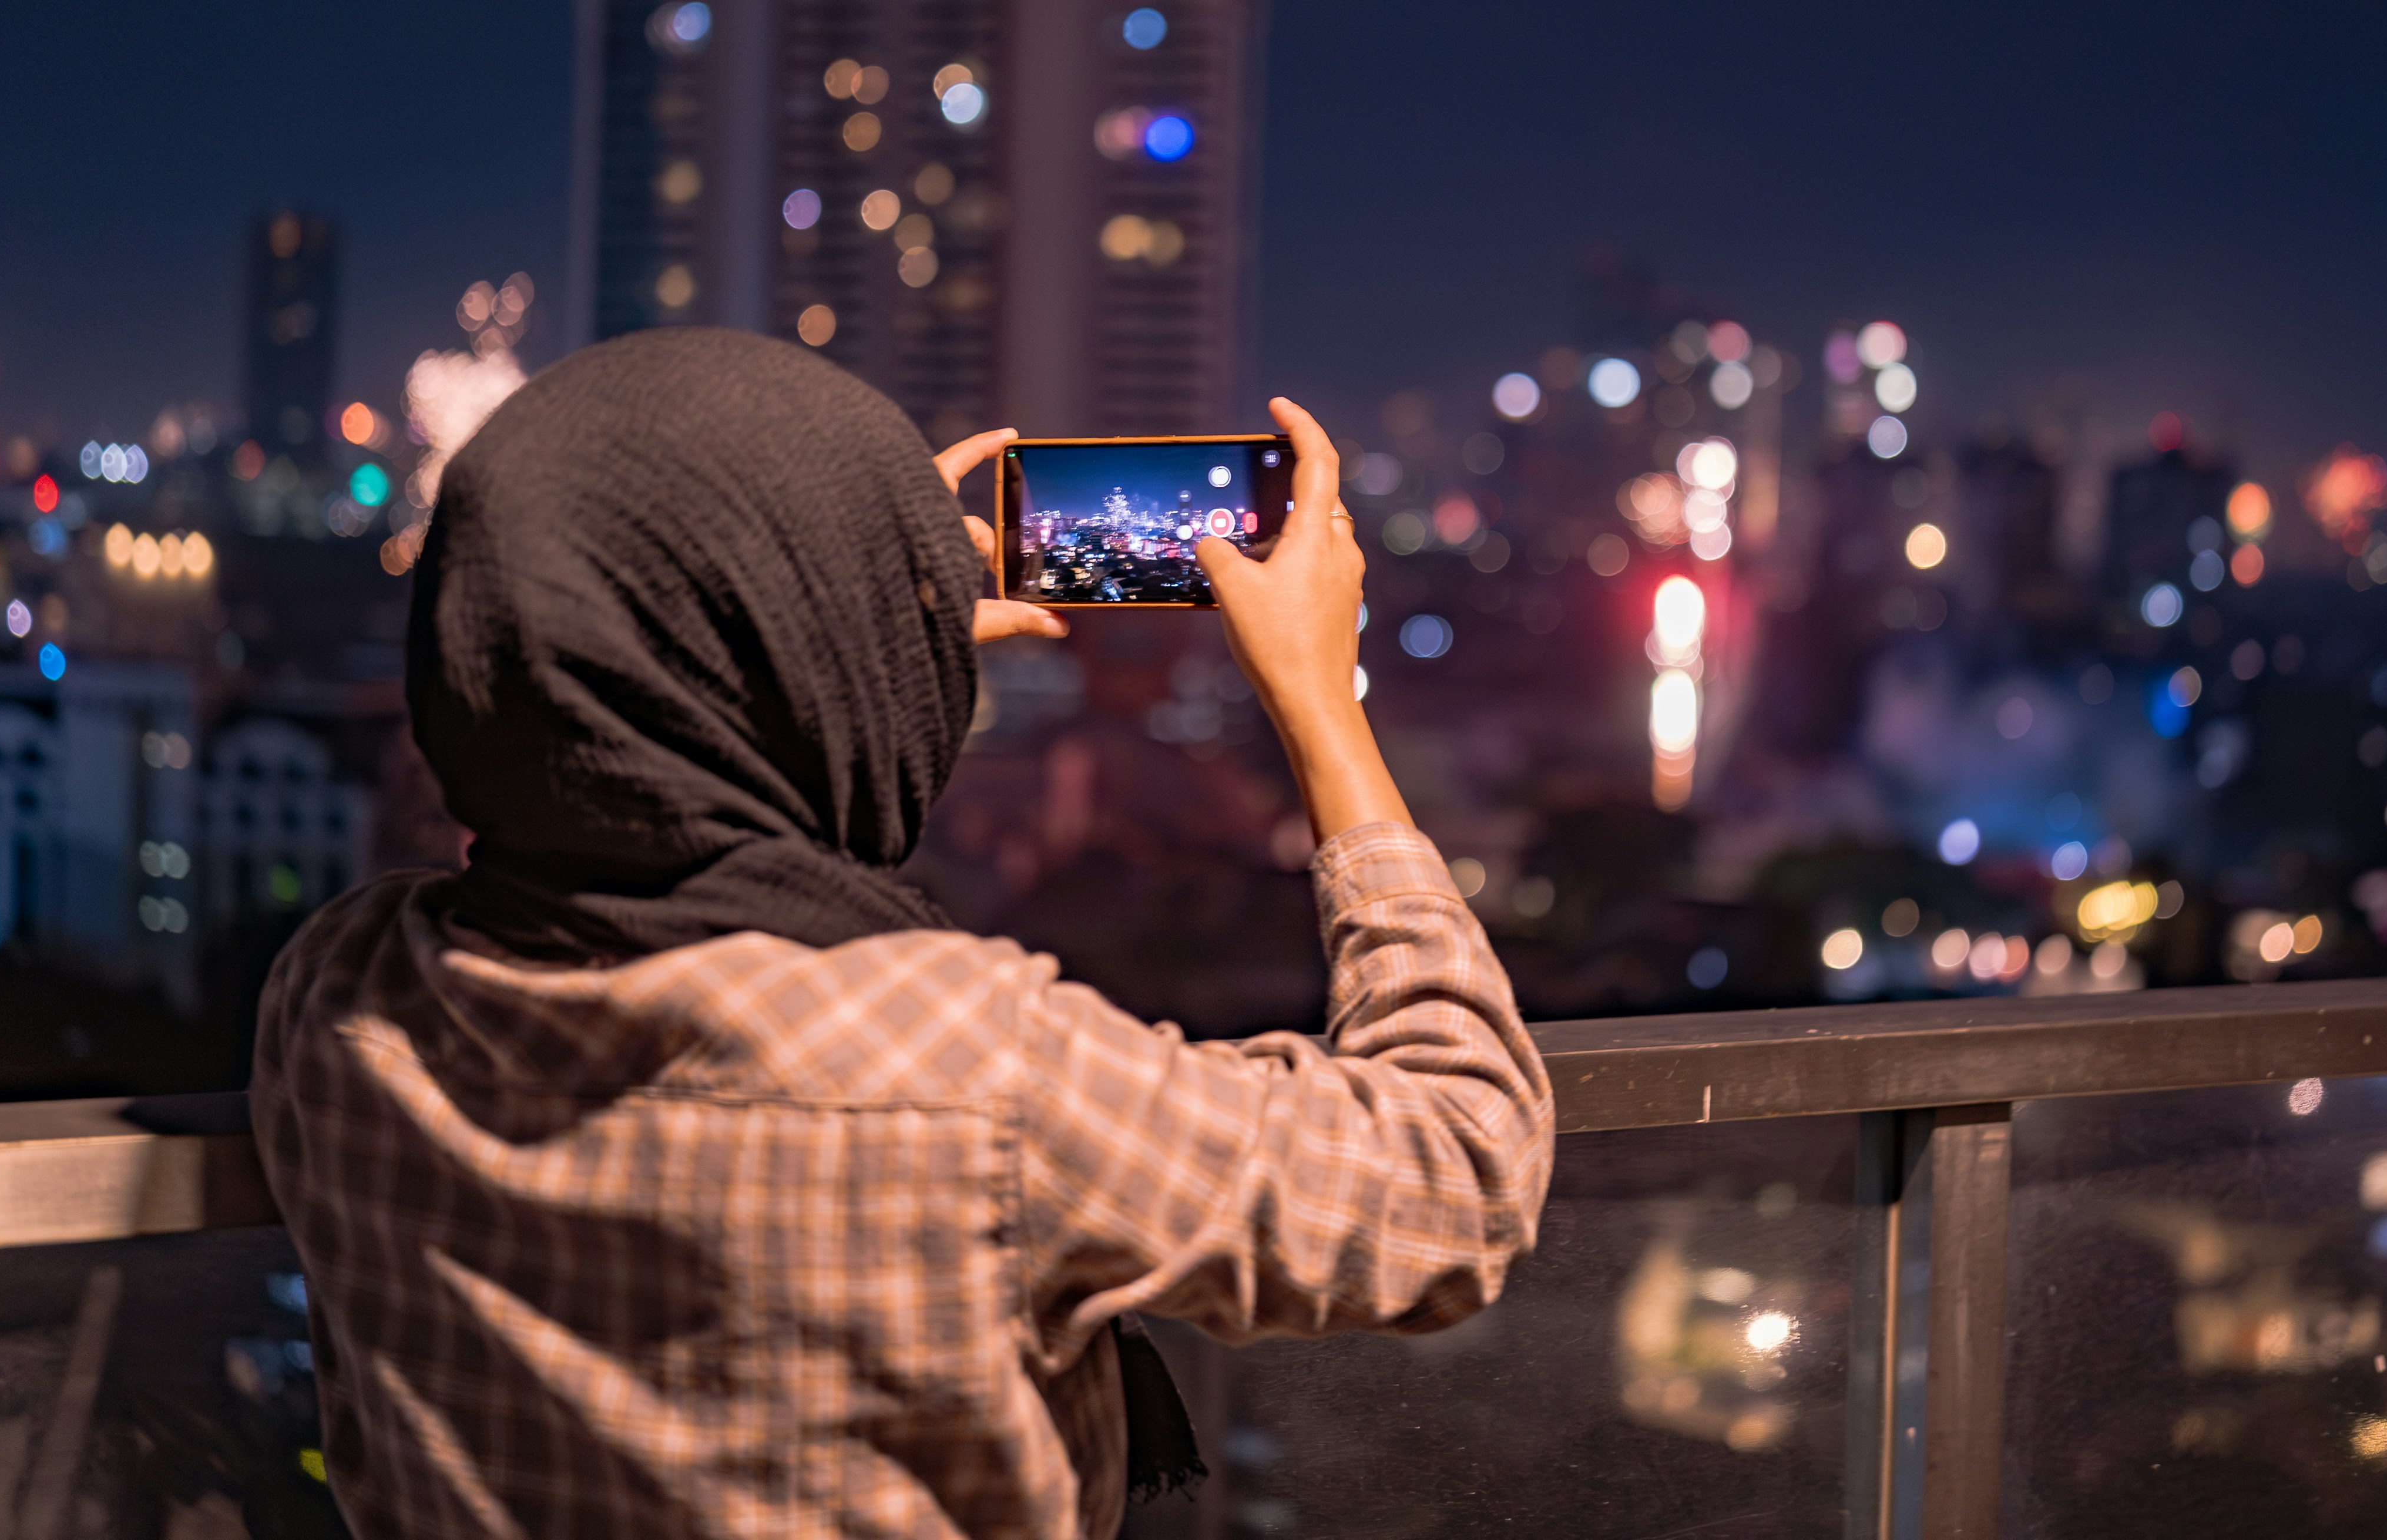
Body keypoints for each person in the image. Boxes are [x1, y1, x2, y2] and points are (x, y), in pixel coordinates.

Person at [250, 329, 1555, 1539]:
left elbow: (624, 807)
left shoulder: (340, 994)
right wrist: (1321, 706)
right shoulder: (972, 1072)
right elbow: (1458, 1173)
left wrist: (853, 616)